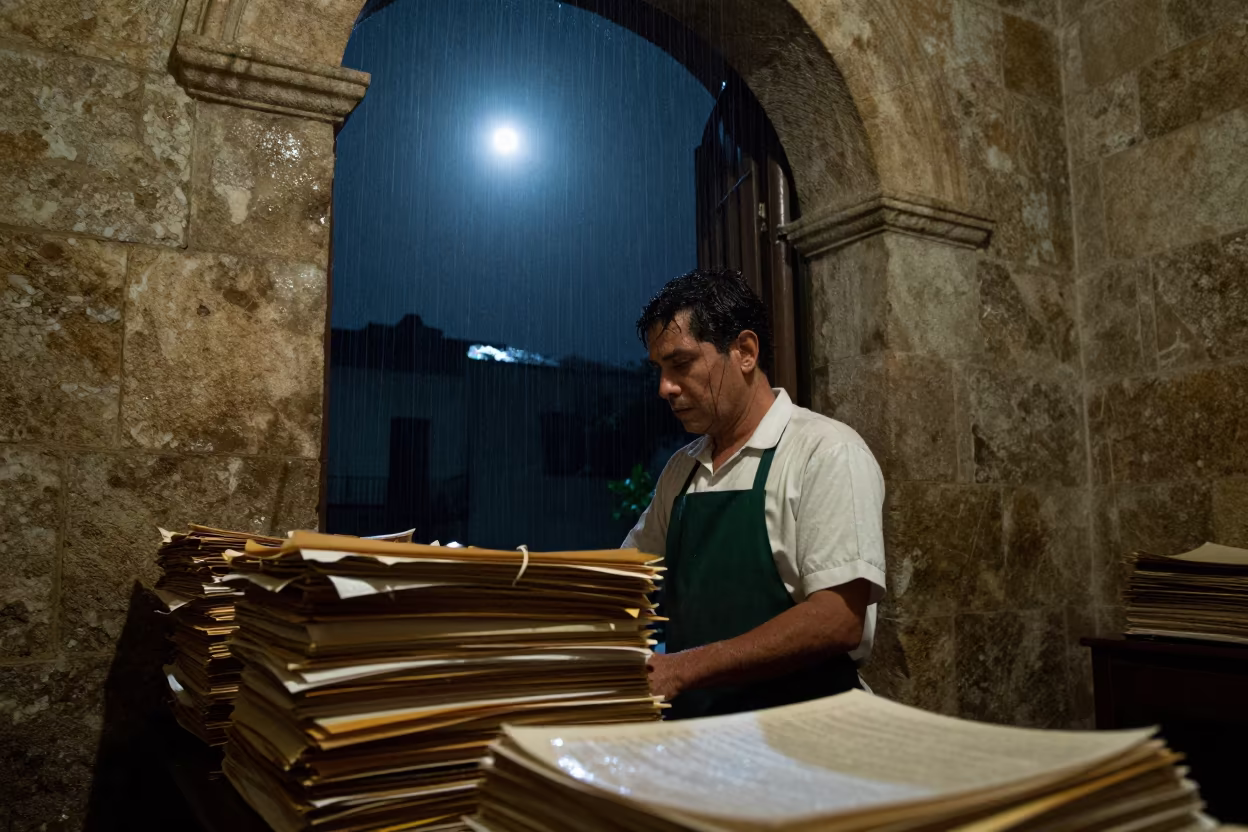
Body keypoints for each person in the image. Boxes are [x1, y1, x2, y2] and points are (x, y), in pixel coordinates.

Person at [624, 268, 886, 719]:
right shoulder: (681, 472)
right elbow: (630, 583)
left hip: (806, 730)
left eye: (681, 364)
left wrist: (683, 668)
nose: (664, 388)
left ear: (744, 352)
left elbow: (838, 619)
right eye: (660, 370)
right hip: (703, 737)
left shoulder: (825, 451)